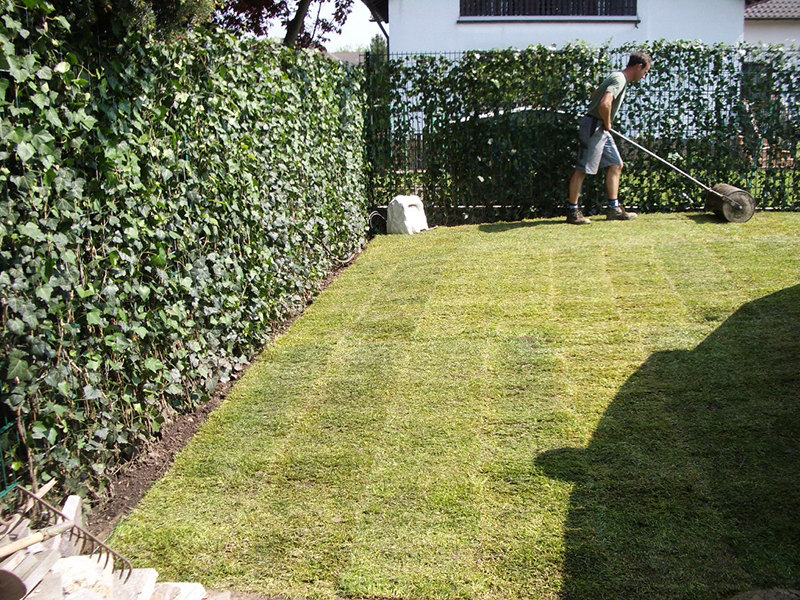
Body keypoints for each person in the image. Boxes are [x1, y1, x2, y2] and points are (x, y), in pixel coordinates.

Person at [566, 52, 652, 225]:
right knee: (582, 169)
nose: (644, 77)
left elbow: (594, 95)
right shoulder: (619, 79)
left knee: (616, 164)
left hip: (600, 127)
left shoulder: (616, 77)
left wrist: (605, 123)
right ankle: (572, 212)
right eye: (645, 72)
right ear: (638, 66)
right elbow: (605, 103)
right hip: (595, 126)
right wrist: (607, 122)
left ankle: (613, 209)